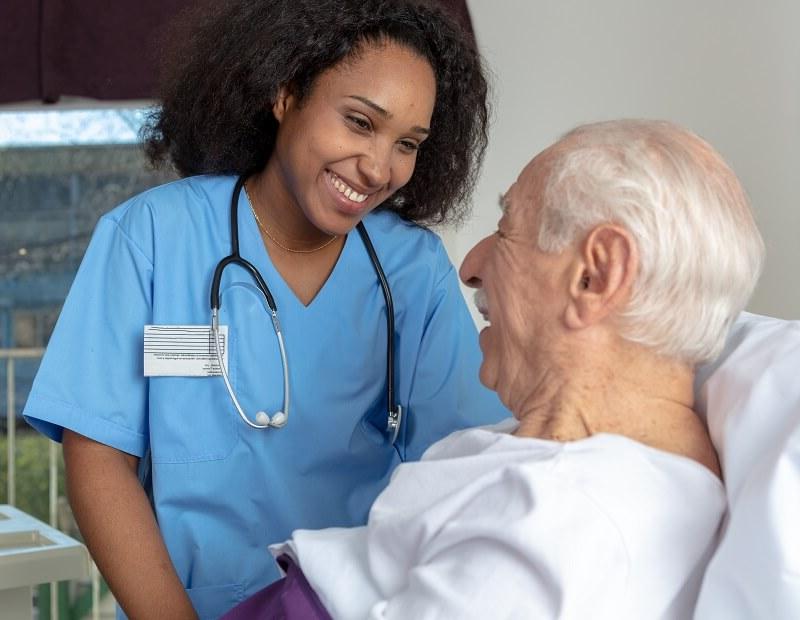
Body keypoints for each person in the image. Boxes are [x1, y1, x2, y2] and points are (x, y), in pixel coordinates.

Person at [22, 1, 508, 618]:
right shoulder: (151, 236)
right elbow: (97, 458)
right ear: (285, 94)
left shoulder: (412, 271)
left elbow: (466, 462)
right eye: (360, 121)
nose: (380, 167)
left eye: (407, 143)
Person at [222, 119, 765, 619]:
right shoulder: (607, 469)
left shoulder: (559, 522)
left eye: (506, 230)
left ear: (596, 276)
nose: (471, 266)